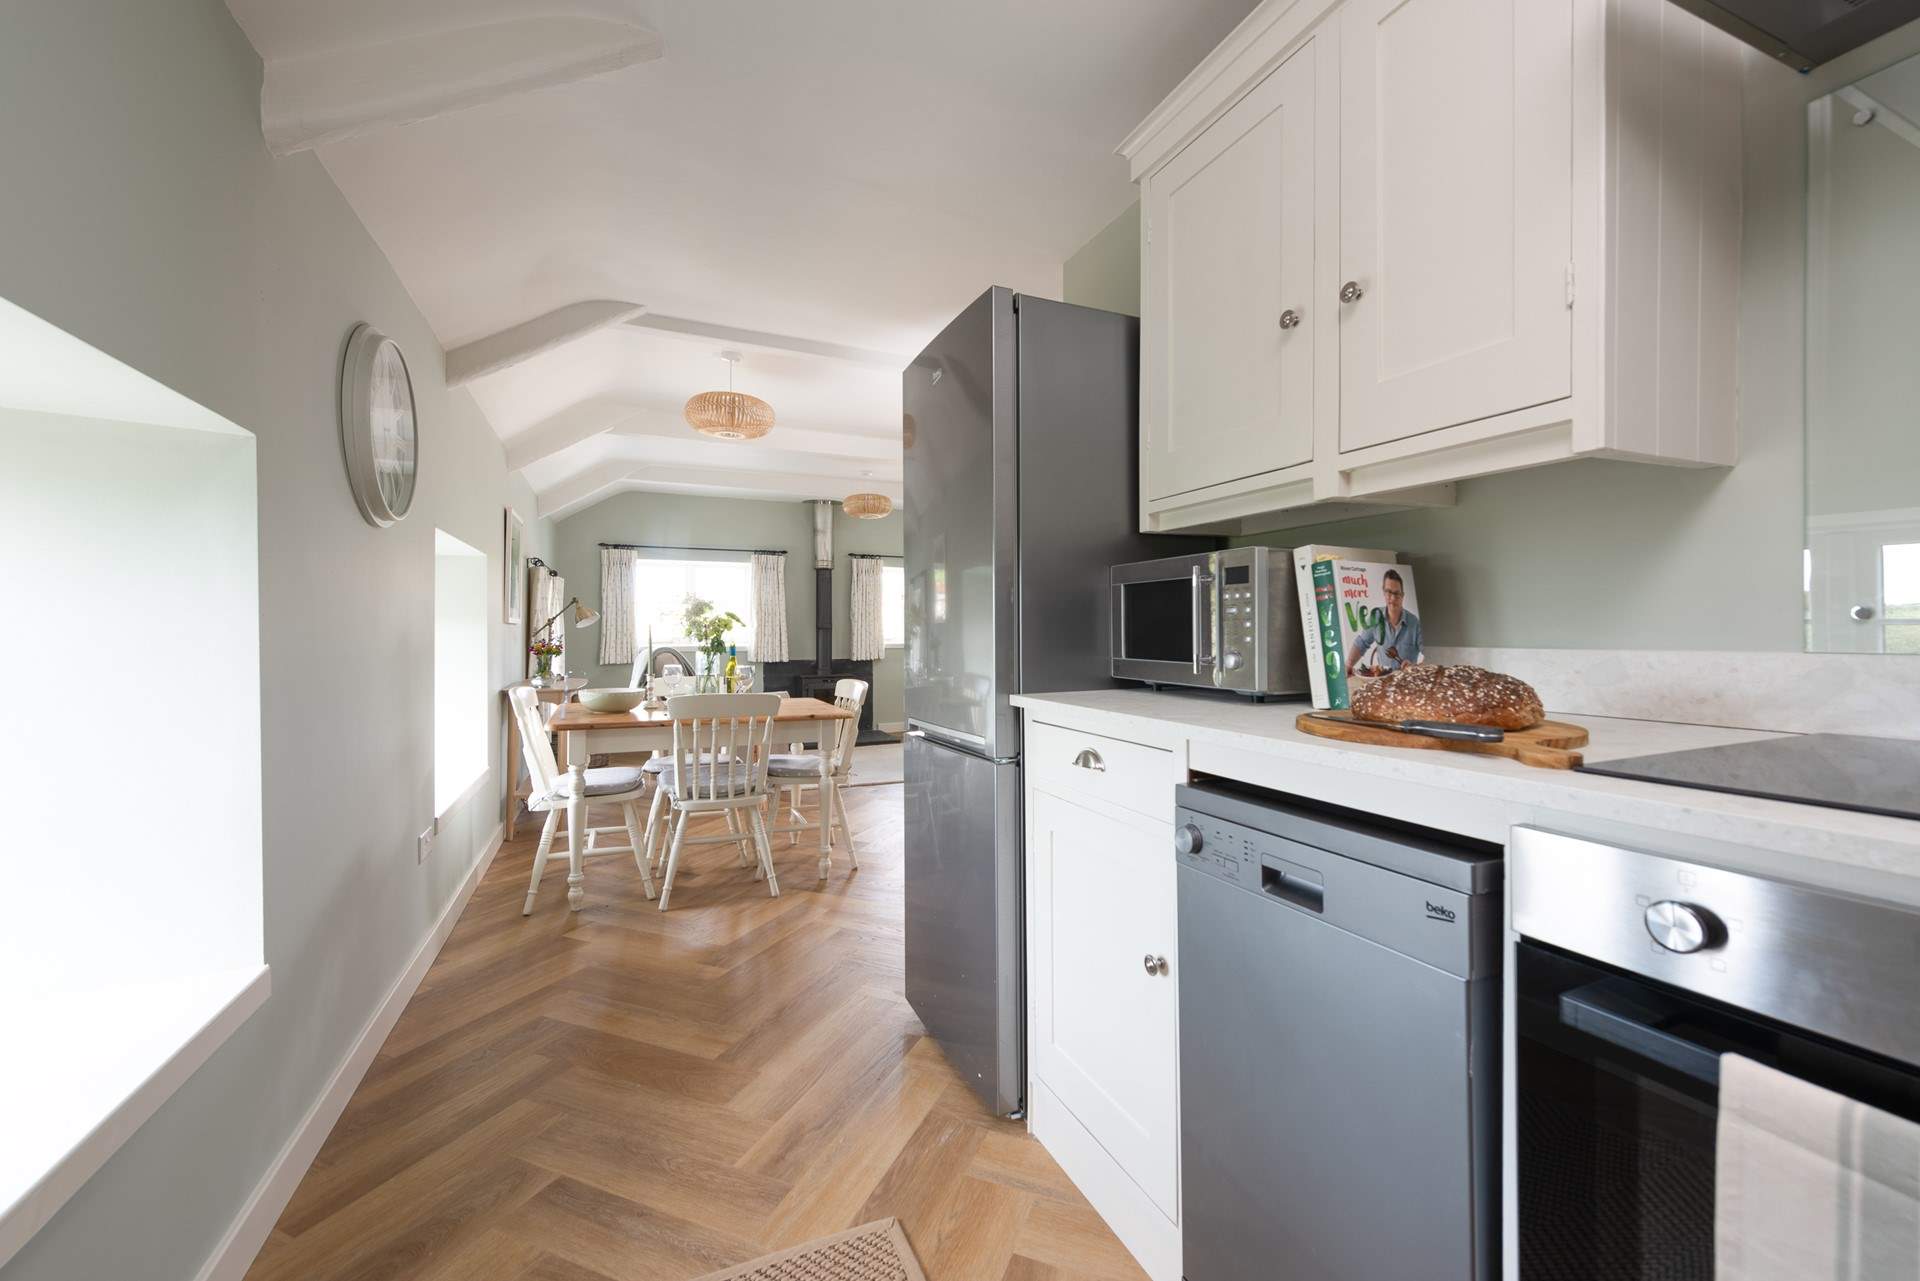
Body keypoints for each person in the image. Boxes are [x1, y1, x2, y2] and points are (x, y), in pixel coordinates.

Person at [1346, 568, 1421, 677]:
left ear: (1402, 595)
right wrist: (1349, 664)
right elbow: (1362, 643)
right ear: (1384, 592)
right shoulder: (1376, 617)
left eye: (1397, 593)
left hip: (1408, 682)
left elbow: (1429, 654)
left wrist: (1415, 667)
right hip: (1383, 683)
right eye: (1389, 592)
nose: (1393, 598)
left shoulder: (1415, 623)